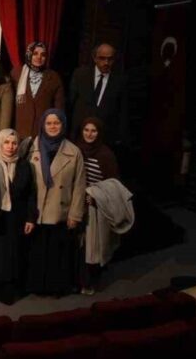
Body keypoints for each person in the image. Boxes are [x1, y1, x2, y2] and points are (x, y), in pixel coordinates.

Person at [26, 109, 86, 297]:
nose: (52, 126)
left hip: (60, 211)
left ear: (63, 125)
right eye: (49, 123)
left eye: (57, 123)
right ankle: (37, 287)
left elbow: (79, 186)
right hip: (36, 211)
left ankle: (56, 287)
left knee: (56, 253)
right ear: (43, 125)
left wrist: (75, 215)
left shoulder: (73, 151)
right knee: (37, 252)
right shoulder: (31, 146)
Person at [75, 117, 126, 295]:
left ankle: (89, 283)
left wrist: (96, 198)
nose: (89, 134)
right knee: (79, 246)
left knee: (92, 248)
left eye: (93, 131)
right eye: (86, 130)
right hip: (77, 204)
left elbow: (113, 185)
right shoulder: (77, 149)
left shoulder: (106, 155)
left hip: (95, 207)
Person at [0, 129, 37, 305]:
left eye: (14, 143)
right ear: (0, 144)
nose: (10, 146)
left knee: (14, 255)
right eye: (6, 142)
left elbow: (31, 194)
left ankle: (10, 291)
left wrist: (31, 218)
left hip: (17, 217)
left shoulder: (24, 165)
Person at [68, 44, 129, 149]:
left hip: (104, 139)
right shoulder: (80, 75)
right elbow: (70, 103)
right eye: (102, 58)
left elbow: (123, 111)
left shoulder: (120, 82)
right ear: (94, 58)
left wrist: (120, 137)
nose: (106, 63)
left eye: (110, 59)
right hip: (78, 135)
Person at [12, 42, 65, 142]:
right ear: (29, 54)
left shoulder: (53, 77)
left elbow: (59, 108)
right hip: (19, 131)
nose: (39, 57)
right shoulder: (16, 74)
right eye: (35, 53)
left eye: (43, 55)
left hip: (42, 132)